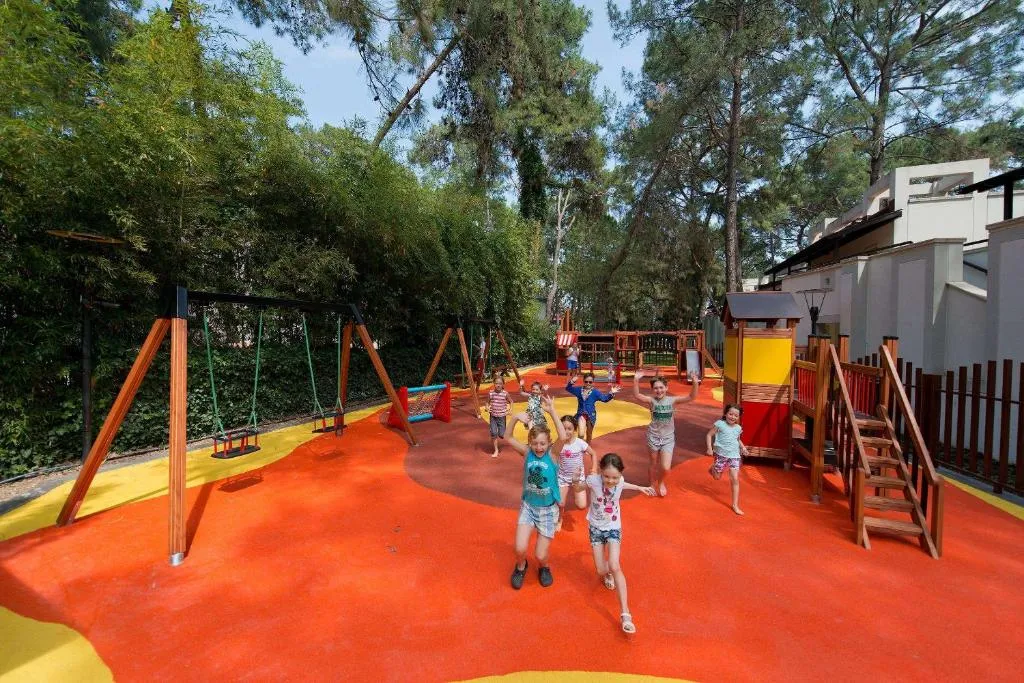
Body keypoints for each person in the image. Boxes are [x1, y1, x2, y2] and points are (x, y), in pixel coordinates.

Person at [586, 452, 655, 634]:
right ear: (601, 472)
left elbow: (623, 484)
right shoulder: (593, 481)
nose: (611, 481)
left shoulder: (620, 481)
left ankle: (625, 614)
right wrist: (576, 480)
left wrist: (639, 487)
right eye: (607, 477)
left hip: (613, 526)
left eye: (615, 478)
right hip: (595, 528)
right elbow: (578, 487)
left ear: (620, 474)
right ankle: (606, 574)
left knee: (615, 565)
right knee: (601, 570)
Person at [503, 395, 566, 589]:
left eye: (543, 444)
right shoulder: (527, 453)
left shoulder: (553, 455)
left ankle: (544, 567)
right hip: (529, 507)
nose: (539, 447)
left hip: (547, 510)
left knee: (540, 555)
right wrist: (515, 417)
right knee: (520, 548)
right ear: (530, 442)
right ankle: (521, 566)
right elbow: (507, 437)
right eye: (535, 443)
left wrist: (552, 411)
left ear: (549, 443)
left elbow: (563, 437)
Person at [632, 369, 699, 497]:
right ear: (653, 390)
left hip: (668, 438)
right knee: (653, 463)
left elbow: (691, 397)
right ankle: (652, 484)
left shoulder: (672, 401)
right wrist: (636, 380)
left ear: (666, 388)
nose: (659, 390)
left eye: (661, 387)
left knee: (666, 467)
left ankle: (661, 482)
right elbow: (637, 395)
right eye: (656, 388)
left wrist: (695, 382)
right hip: (653, 436)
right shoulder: (651, 401)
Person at [554, 414, 596, 533]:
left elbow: (593, 453)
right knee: (560, 503)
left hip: (578, 480)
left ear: (574, 430)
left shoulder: (580, 443)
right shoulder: (558, 444)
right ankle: (559, 519)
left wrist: (594, 469)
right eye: (563, 429)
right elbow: (553, 458)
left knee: (581, 506)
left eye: (569, 429)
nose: (566, 431)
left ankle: (576, 494)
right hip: (563, 478)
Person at [706, 404, 749, 515]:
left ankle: (735, 505)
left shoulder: (738, 428)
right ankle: (713, 468)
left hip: (734, 456)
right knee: (717, 477)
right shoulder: (720, 424)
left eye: (736, 415)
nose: (733, 417)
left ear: (738, 417)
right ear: (725, 414)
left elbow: (737, 440)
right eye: (730, 414)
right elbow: (709, 435)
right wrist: (709, 448)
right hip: (721, 455)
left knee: (735, 478)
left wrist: (743, 448)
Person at [566, 373, 619, 443]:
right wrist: (572, 381)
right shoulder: (579, 390)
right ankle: (579, 446)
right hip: (581, 414)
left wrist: (611, 393)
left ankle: (587, 446)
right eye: (586, 382)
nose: (588, 383)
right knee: (581, 434)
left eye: (590, 382)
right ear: (583, 381)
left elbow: (605, 399)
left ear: (593, 382)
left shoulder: (595, 392)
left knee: (589, 434)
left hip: (591, 415)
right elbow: (568, 388)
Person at [486, 375, 513, 458]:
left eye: (500, 383)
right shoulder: (491, 393)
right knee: (494, 433)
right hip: (493, 416)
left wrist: (510, 409)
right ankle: (496, 450)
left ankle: (498, 434)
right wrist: (487, 407)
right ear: (494, 383)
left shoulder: (505, 394)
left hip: (501, 417)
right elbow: (487, 402)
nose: (498, 385)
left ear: (503, 384)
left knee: (501, 435)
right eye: (496, 383)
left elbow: (511, 401)